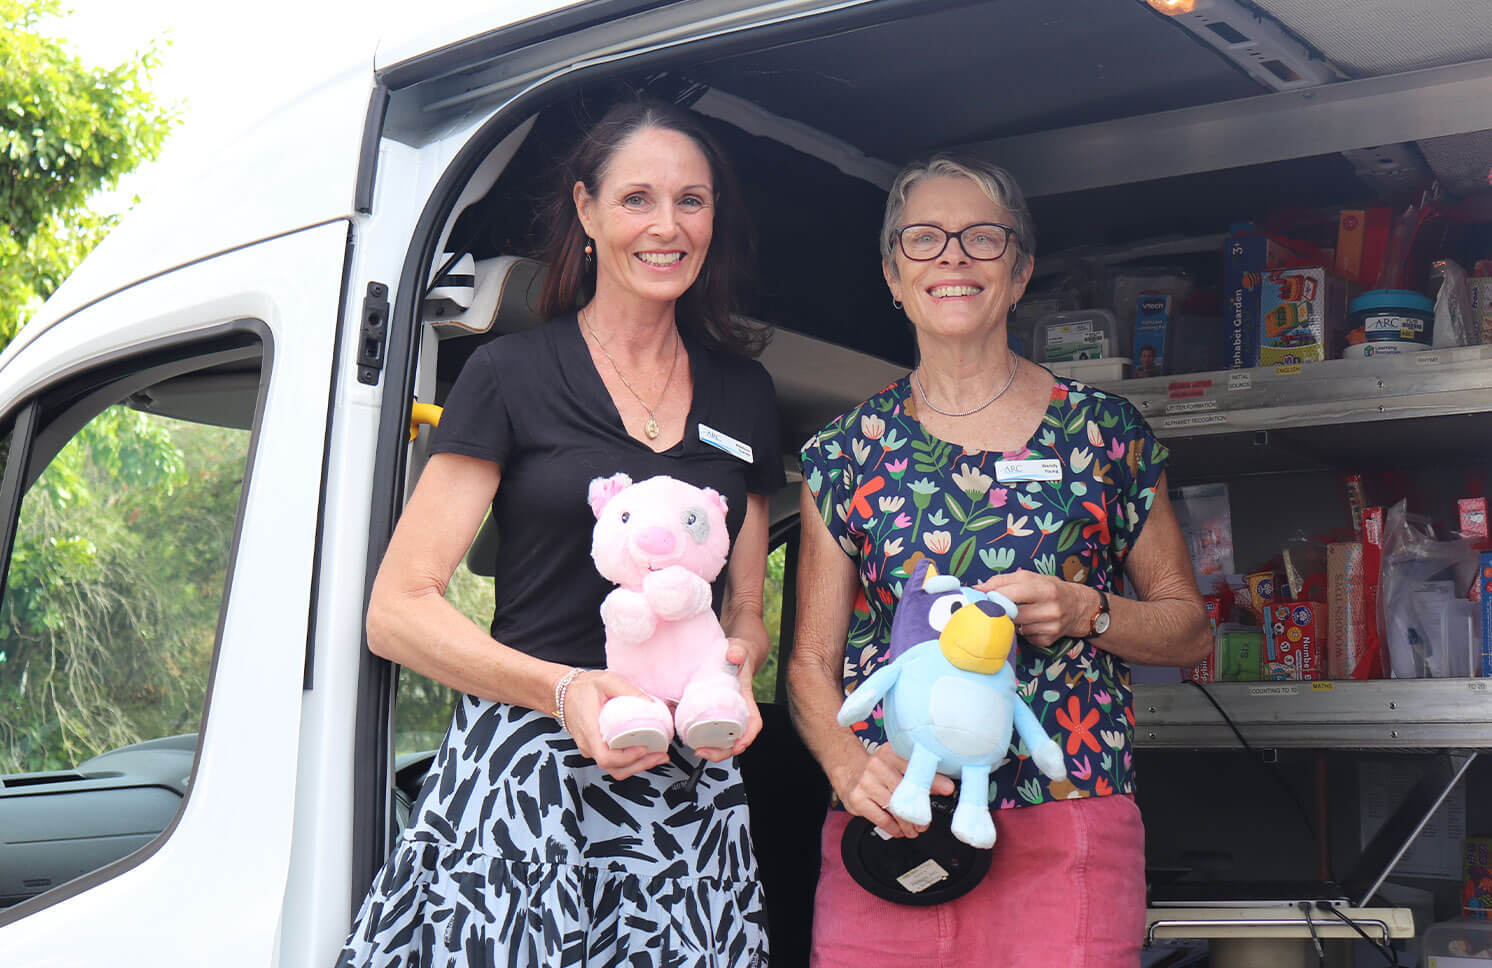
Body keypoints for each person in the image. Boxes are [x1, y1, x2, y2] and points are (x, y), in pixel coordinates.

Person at [337, 100, 783, 967]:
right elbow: (397, 611)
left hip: (686, 790)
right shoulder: (510, 374)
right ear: (585, 210)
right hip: (530, 779)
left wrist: (736, 663)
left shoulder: (745, 394)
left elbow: (747, 607)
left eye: (691, 201)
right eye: (637, 200)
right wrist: (564, 688)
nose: (667, 226)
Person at [787, 154, 1211, 966]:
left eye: (982, 239)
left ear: (1018, 275)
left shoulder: (1104, 434)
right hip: (894, 826)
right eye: (924, 240)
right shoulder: (844, 453)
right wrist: (847, 766)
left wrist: (1091, 611)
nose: (952, 257)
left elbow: (1190, 628)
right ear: (892, 275)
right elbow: (810, 660)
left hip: (1069, 817)